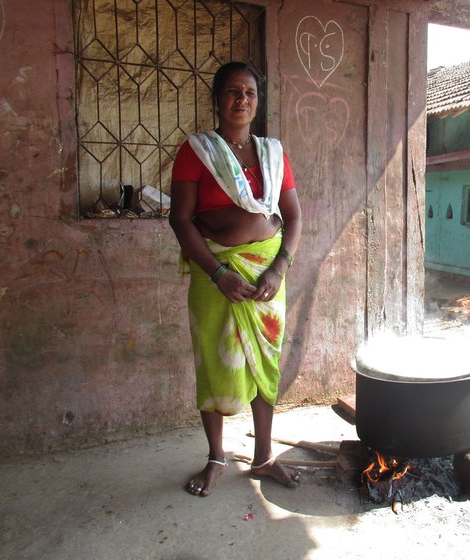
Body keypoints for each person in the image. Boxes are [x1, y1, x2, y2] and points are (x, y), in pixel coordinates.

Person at [169, 61, 302, 496]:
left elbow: (294, 216)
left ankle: (263, 457)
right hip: (216, 273)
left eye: (249, 93)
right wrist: (219, 272)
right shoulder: (196, 151)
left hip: (267, 274)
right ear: (217, 99)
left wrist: (280, 266)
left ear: (257, 103)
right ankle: (215, 457)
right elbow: (181, 219)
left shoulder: (274, 154)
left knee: (267, 360)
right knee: (213, 360)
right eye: (232, 91)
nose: (241, 99)